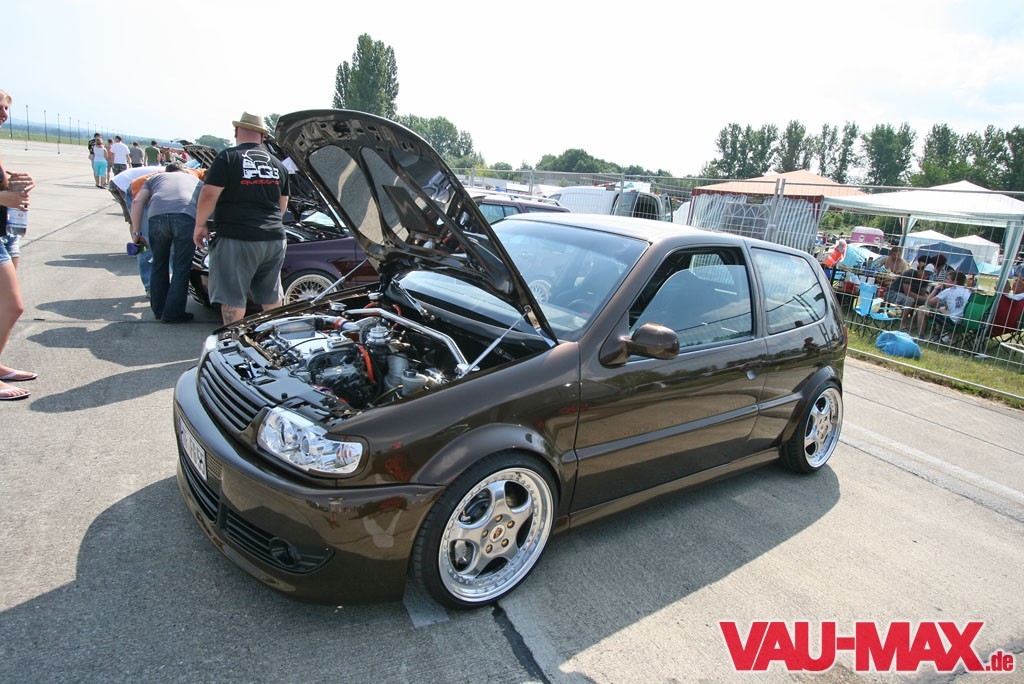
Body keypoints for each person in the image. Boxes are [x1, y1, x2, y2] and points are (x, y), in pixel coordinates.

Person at [193, 111, 289, 325]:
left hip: (237, 237)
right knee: (271, 295)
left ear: (236, 131)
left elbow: (209, 193)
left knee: (233, 296)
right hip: (275, 238)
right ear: (262, 136)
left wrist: (200, 225)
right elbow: (282, 205)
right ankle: (276, 336)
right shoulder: (278, 165)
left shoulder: (228, 157)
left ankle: (232, 341)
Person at [0, 89, 37, 401]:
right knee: (12, 305)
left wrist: (16, 180)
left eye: (5, 109)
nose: (4, 115)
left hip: (7, 230)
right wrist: (4, 197)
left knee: (4, 306)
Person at [131, 162, 202, 323]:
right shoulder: (195, 180)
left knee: (159, 264)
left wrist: (136, 233)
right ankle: (173, 314)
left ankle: (159, 310)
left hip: (156, 219)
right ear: (184, 170)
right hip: (185, 218)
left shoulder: (155, 178)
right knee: (181, 267)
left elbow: (137, 201)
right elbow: (206, 203)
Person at [914, 270, 971, 342]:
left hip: (952, 322)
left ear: (955, 282)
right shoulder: (968, 291)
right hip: (964, 322)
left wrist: (936, 289)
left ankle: (920, 336)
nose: (945, 281)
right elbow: (948, 307)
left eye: (947, 279)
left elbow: (928, 303)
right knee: (941, 309)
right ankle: (939, 336)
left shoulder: (949, 290)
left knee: (922, 308)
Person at [888, 256, 932, 331]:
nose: (926, 277)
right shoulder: (909, 274)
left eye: (928, 275)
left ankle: (914, 323)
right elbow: (907, 292)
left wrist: (928, 299)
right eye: (925, 274)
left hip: (908, 295)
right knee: (910, 300)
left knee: (925, 303)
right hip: (893, 292)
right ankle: (903, 324)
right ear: (920, 270)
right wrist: (923, 298)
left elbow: (922, 293)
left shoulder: (925, 280)